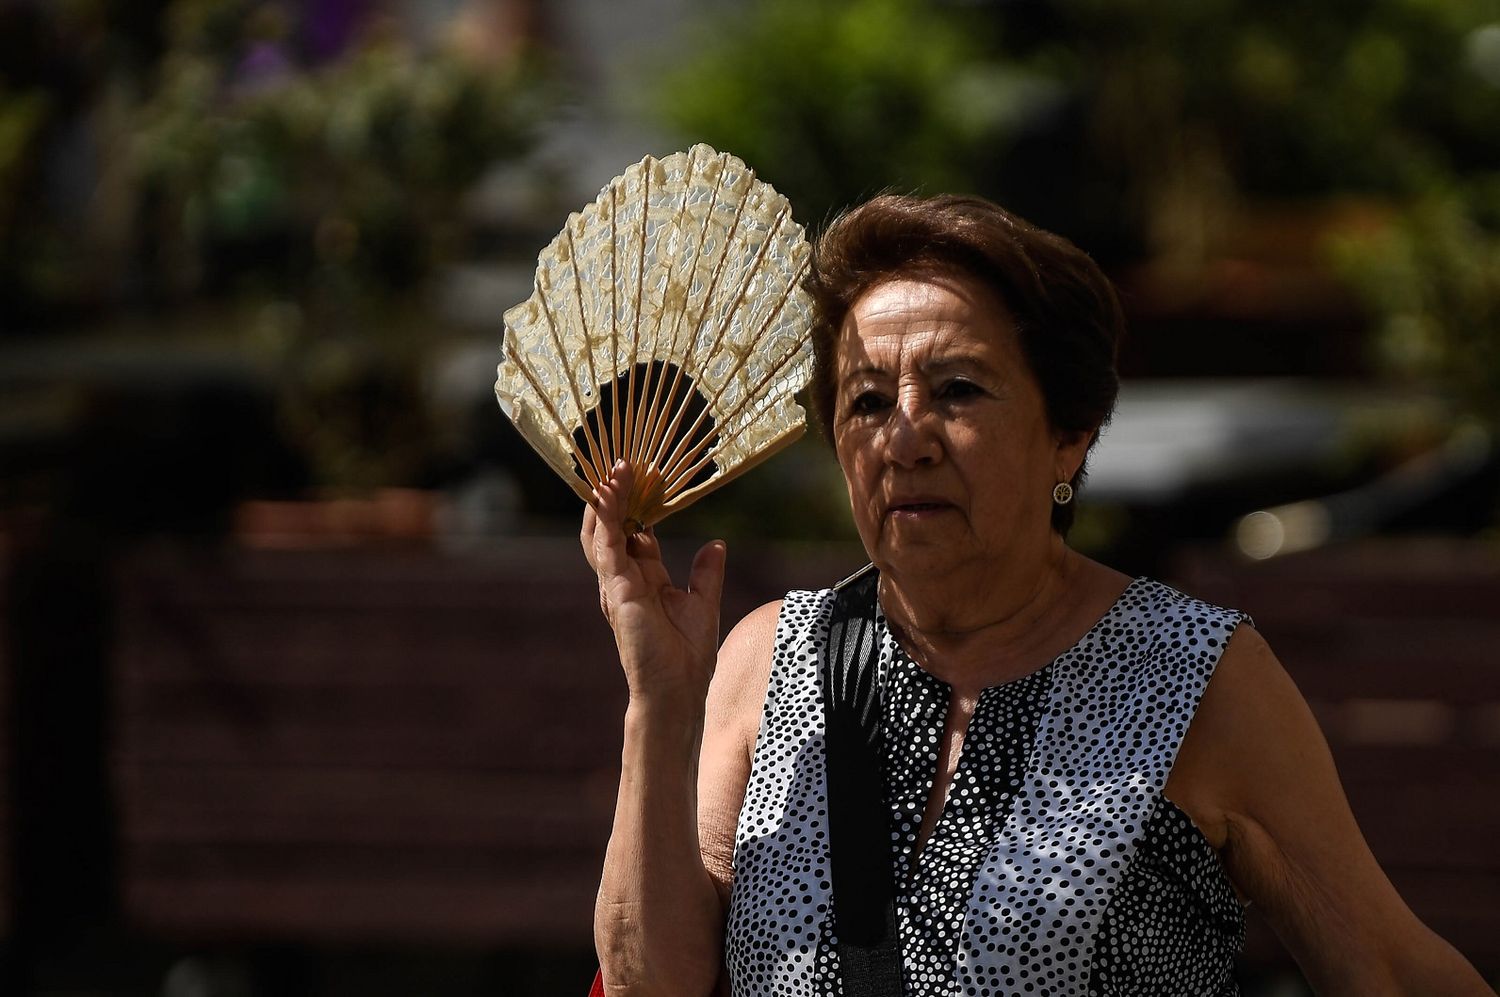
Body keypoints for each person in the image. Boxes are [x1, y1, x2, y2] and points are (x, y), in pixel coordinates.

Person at [579, 194, 1493, 996]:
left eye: (958, 390)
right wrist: (659, 701)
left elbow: (1385, 965)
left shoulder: (1193, 674)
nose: (905, 439)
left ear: (1069, 436)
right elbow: (651, 981)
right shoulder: (767, 660)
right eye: (864, 402)